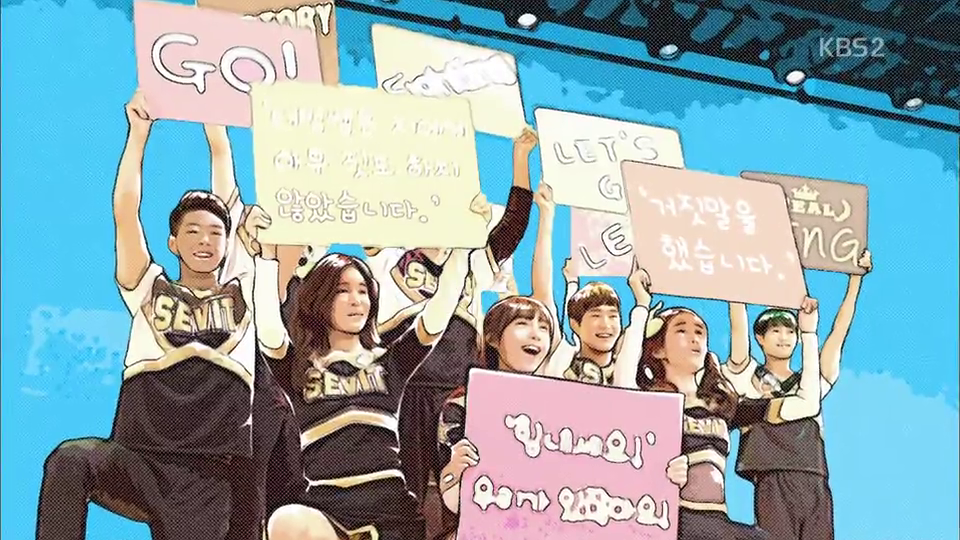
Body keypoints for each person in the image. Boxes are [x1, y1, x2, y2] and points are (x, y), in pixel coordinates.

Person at [36, 92, 260, 540]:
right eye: (192, 231)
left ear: (228, 241)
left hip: (206, 474)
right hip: (139, 459)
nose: (204, 240)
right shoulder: (147, 286)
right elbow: (125, 212)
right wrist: (138, 134)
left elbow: (226, 181)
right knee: (70, 459)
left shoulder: (244, 287)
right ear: (173, 242)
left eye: (215, 233)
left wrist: (216, 127)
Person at [243, 206, 473, 540]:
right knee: (286, 521)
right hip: (327, 507)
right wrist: (266, 257)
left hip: (391, 510)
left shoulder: (391, 361)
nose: (356, 300)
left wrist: (464, 244)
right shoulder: (298, 367)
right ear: (319, 299)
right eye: (343, 290)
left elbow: (440, 310)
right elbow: (268, 328)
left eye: (363, 291)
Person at [361, 127, 538, 508]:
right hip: (402, 392)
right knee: (402, 495)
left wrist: (521, 157)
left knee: (464, 491)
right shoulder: (387, 256)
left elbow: (513, 228)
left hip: (455, 394)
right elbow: (364, 203)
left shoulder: (470, 263)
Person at [434, 296, 689, 540]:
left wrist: (664, 475)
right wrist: (455, 469)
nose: (536, 334)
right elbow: (454, 501)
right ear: (492, 338)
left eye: (544, 328)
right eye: (522, 324)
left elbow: (609, 483)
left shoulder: (569, 410)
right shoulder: (465, 405)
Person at [612, 270, 825, 540]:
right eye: (681, 330)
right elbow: (623, 388)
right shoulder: (652, 401)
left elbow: (807, 404)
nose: (694, 338)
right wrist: (641, 307)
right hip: (673, 522)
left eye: (700, 332)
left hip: (716, 522)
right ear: (657, 349)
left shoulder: (723, 405)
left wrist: (809, 332)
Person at [721, 250, 873, 540]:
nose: (783, 337)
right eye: (775, 331)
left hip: (814, 477)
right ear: (760, 338)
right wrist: (734, 275)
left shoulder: (812, 379)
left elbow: (839, 331)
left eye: (790, 332)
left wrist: (855, 280)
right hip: (772, 477)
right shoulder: (748, 377)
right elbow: (738, 323)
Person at [529, 183, 647, 385]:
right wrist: (546, 216)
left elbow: (631, 348)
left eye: (613, 316)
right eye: (595, 315)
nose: (606, 324)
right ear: (575, 324)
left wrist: (642, 304)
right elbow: (543, 293)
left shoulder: (626, 377)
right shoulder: (559, 363)